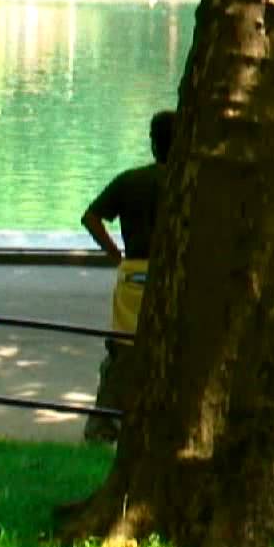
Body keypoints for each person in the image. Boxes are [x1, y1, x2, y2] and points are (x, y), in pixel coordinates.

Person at [79, 109, 177, 442]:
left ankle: (104, 424)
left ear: (153, 143)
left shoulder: (131, 180)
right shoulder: (192, 183)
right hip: (175, 273)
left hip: (134, 271)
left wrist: (114, 254)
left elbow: (91, 217)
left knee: (123, 350)